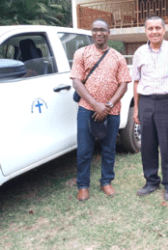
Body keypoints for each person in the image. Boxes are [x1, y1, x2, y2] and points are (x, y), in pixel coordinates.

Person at [70, 19, 131, 201]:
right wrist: (96, 105)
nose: (99, 33)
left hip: (111, 111)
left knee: (109, 148)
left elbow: (124, 85)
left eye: (103, 30)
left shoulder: (118, 57)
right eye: (95, 30)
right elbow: (76, 81)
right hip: (86, 109)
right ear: (91, 32)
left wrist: (108, 105)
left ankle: (106, 181)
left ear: (108, 33)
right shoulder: (81, 54)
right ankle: (82, 185)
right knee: (84, 150)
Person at [132, 16, 168, 201]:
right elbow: (136, 81)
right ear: (145, 31)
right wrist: (136, 109)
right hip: (146, 102)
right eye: (150, 28)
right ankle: (151, 181)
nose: (154, 31)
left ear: (164, 30)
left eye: (158, 28)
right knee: (147, 144)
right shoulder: (139, 52)